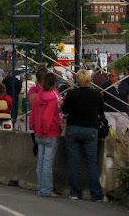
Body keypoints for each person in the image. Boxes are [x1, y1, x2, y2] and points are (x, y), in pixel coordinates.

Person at [61, 69, 106, 202]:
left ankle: (74, 192)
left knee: (74, 163)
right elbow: (101, 112)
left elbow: (65, 111)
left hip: (73, 127)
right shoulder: (96, 94)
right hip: (90, 129)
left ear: (77, 80)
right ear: (89, 80)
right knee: (91, 163)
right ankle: (96, 194)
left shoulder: (71, 93)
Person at [31, 72, 61, 198]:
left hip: (38, 132)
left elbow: (34, 114)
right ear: (54, 84)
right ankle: (46, 189)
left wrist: (36, 128)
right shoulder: (53, 98)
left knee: (41, 162)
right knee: (48, 163)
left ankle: (41, 187)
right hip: (50, 132)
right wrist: (45, 129)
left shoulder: (38, 97)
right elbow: (47, 117)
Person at [101, 69, 129, 135]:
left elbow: (127, 96)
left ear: (117, 76)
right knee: (111, 131)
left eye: (113, 76)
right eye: (109, 75)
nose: (111, 77)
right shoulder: (105, 85)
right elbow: (101, 96)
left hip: (121, 111)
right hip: (109, 111)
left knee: (122, 132)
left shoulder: (124, 85)